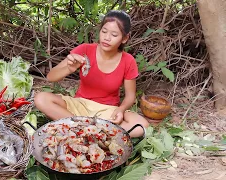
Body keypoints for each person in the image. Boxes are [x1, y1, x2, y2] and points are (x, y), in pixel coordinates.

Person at [34, 10, 149, 138]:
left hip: (107, 112)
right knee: (41, 98)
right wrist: (69, 68)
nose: (107, 38)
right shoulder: (85, 50)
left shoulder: (128, 61)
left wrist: (120, 110)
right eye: (104, 31)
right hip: (79, 106)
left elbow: (130, 96)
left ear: (125, 38)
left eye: (114, 34)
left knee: (141, 125)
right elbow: (51, 77)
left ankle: (81, 130)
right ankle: (92, 131)